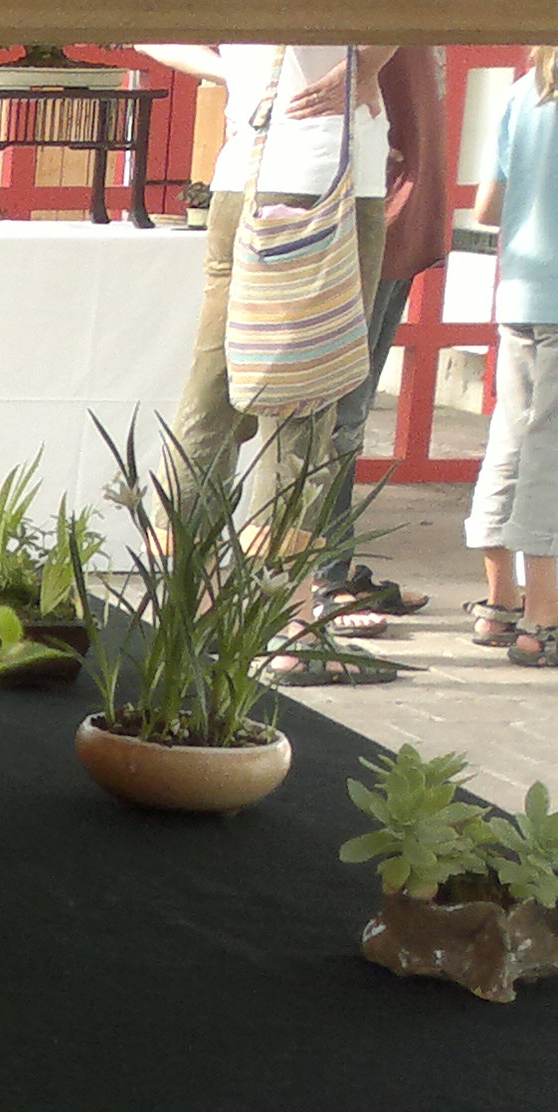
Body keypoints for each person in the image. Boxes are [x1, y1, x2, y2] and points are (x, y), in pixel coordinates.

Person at [141, 42, 397, 660]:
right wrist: (361, 67)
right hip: (329, 182)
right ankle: (285, 626)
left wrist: (237, 67)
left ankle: (179, 608)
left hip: (242, 175)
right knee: (306, 406)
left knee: (211, 397)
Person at [311, 49, 452, 627]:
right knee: (340, 409)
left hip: (402, 207)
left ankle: (334, 565)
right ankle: (323, 576)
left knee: (353, 408)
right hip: (376, 207)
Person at [471, 50, 558, 666]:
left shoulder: (523, 91)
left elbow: (485, 208)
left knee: (510, 442)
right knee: (551, 454)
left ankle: (499, 602)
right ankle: (544, 618)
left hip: (521, 291)